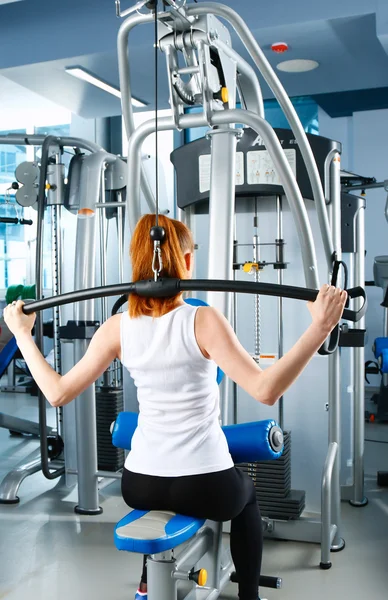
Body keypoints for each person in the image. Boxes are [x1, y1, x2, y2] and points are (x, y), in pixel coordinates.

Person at [3, 214, 347, 600]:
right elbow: (265, 390)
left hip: (139, 484)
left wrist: (21, 333)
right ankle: (249, 595)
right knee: (246, 492)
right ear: (185, 262)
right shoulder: (202, 320)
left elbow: (57, 393)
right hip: (206, 486)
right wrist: (319, 328)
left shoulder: (117, 327)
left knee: (181, 496)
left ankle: (149, 582)